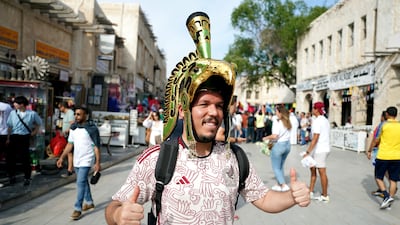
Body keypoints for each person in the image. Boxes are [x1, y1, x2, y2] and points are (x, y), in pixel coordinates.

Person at [105, 11, 310, 225]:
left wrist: (291, 197)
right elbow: (115, 205)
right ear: (183, 109)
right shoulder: (157, 159)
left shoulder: (234, 158)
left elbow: (264, 198)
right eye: (204, 104)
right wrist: (118, 215)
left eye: (219, 105)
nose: (213, 112)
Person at [56, 106, 101, 220]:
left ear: (86, 115)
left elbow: (96, 147)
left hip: (87, 159)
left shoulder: (92, 129)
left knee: (80, 182)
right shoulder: (73, 128)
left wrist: (97, 163)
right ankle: (89, 202)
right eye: (75, 114)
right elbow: (70, 144)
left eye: (79, 114)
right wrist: (61, 157)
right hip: (77, 159)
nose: (76, 116)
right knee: (83, 181)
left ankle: (77, 209)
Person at [367, 106, 400, 209]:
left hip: (384, 155)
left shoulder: (384, 125)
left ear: (387, 114)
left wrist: (369, 150)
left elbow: (376, 140)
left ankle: (386, 196)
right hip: (397, 156)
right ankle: (389, 201)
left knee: (378, 177)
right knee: (393, 180)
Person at [6, 96, 42, 186]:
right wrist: (8, 138)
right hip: (14, 136)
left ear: (22, 104)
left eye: (16, 103)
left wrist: (34, 132)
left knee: (25, 158)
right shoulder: (12, 113)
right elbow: (10, 126)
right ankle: (12, 176)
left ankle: (27, 177)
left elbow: (39, 123)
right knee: (11, 158)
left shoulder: (32, 114)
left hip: (25, 137)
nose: (14, 104)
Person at [303, 102, 330, 202]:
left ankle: (325, 195)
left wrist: (308, 151)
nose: (312, 110)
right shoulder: (325, 120)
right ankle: (310, 190)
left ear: (317, 110)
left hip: (320, 149)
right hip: (321, 148)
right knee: (313, 168)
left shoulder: (318, 121)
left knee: (322, 172)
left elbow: (315, 137)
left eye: (313, 108)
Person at [263, 105, 292, 192]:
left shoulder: (277, 122)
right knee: (280, 166)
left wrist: (266, 138)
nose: (275, 113)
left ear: (280, 112)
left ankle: (283, 185)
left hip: (279, 145)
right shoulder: (287, 122)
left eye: (276, 111)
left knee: (276, 167)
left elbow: (275, 136)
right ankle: (278, 184)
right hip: (287, 145)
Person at [366, 110, 388, 198]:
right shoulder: (392, 125)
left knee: (379, 172)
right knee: (384, 170)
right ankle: (381, 189)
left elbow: (376, 139)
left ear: (383, 116)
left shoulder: (382, 125)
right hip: (387, 151)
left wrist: (369, 150)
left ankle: (385, 192)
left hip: (379, 151)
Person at [58, 101, 75, 178]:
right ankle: (70, 168)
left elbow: (72, 123)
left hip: (69, 134)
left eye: (60, 107)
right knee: (69, 152)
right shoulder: (65, 114)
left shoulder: (70, 112)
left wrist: (67, 130)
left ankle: (70, 169)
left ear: (63, 107)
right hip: (66, 134)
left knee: (69, 152)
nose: (59, 109)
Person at [0, 98, 12, 188]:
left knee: (8, 156)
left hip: (4, 134)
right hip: (4, 134)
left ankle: (10, 176)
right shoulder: (7, 107)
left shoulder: (5, 107)